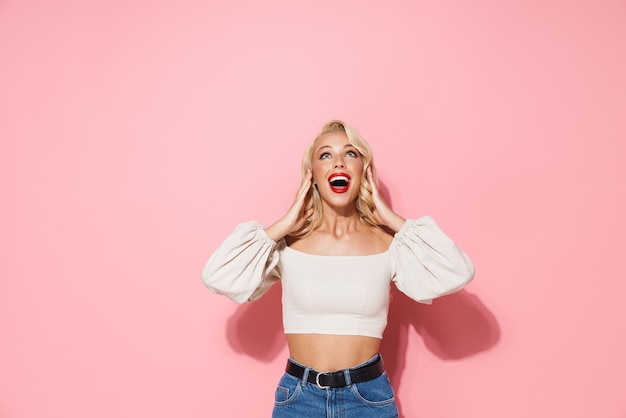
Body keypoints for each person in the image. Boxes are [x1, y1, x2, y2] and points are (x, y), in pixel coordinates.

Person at [201, 120, 475, 417]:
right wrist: (282, 225)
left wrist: (392, 218)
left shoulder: (389, 244)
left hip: (368, 398)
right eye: (325, 155)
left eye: (351, 154)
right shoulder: (287, 244)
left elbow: (457, 271)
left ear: (364, 171)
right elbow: (217, 276)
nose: (338, 162)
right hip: (298, 399)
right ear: (312, 175)